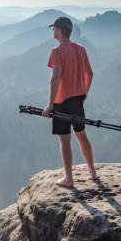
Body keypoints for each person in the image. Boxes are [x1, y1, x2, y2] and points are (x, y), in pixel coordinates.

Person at [42, 16, 97, 187]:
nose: (53, 31)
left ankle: (69, 179)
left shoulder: (57, 52)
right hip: (78, 99)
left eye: (54, 28)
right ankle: (92, 172)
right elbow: (90, 73)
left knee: (65, 140)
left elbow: (55, 78)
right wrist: (84, 93)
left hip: (62, 101)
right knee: (81, 135)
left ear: (59, 30)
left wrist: (50, 104)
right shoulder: (80, 49)